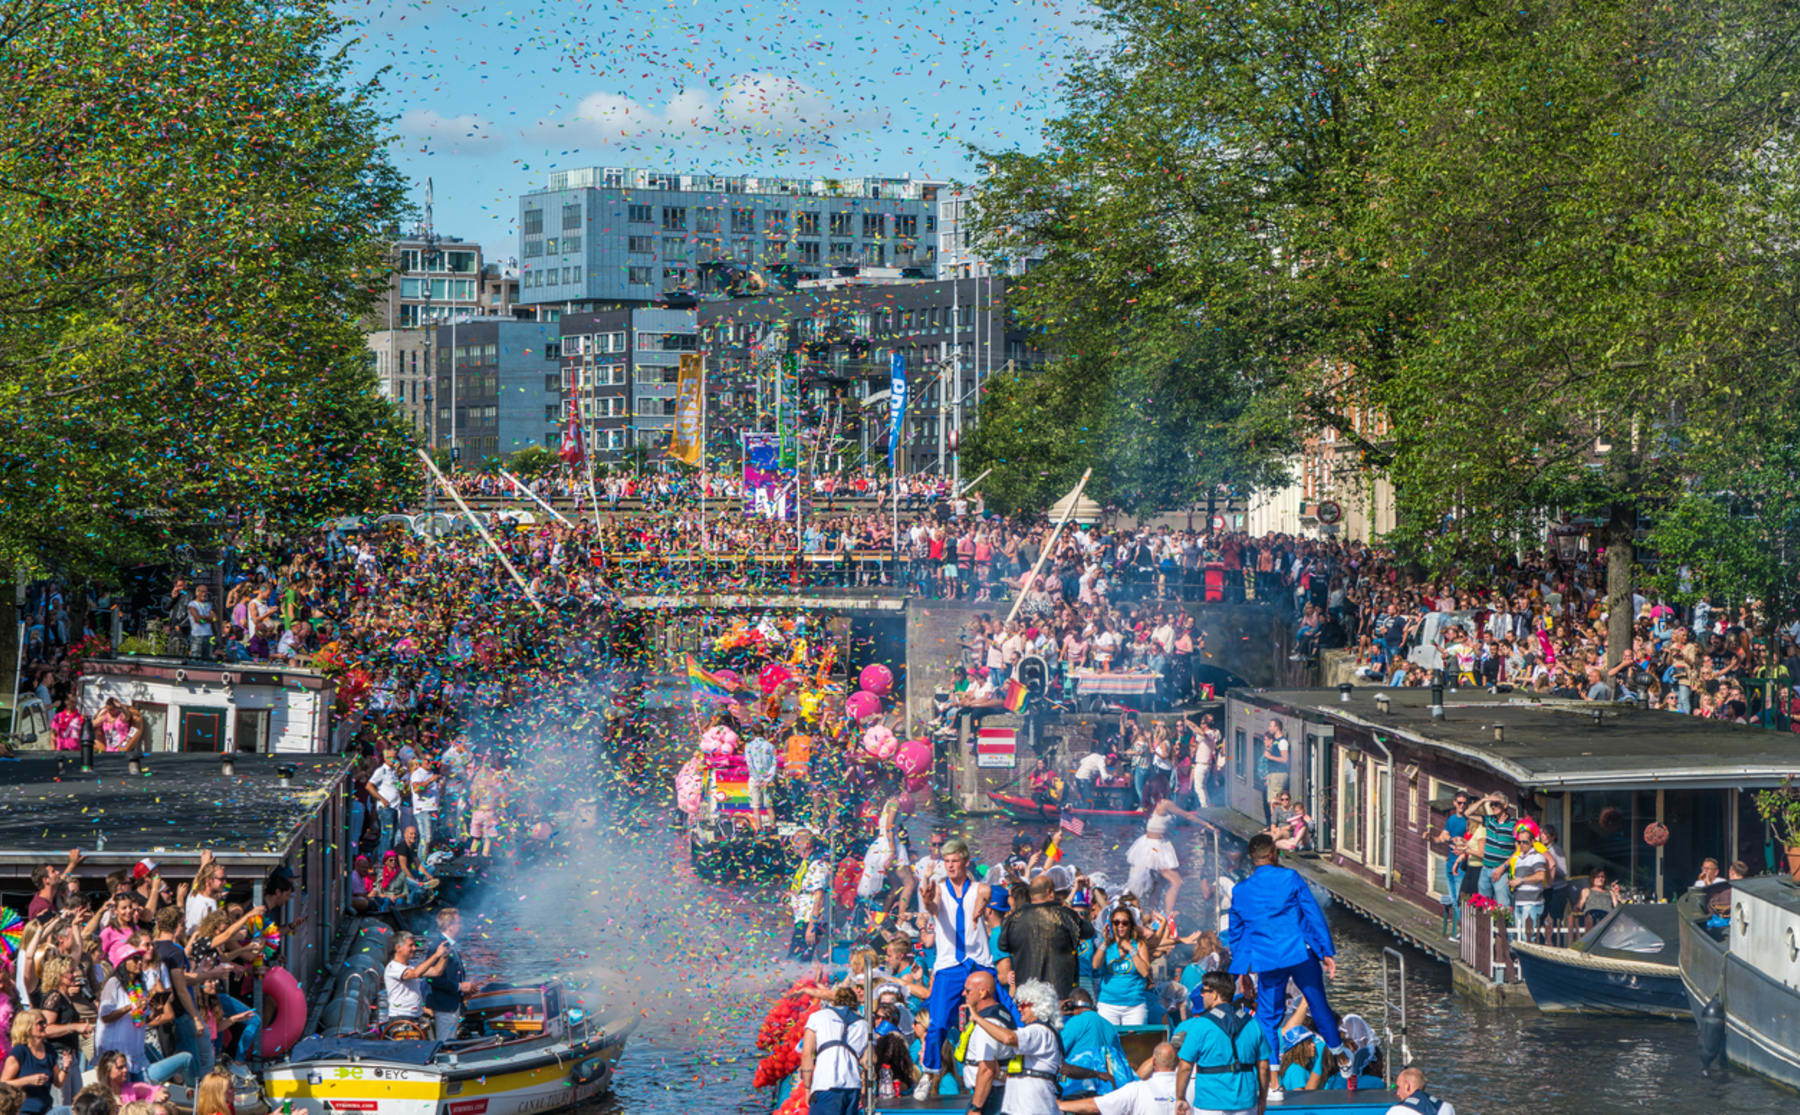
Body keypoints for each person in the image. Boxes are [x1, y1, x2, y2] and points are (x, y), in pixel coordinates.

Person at [1225, 834, 1344, 1102]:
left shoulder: (1240, 891)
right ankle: (1340, 1054)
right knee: (1318, 1004)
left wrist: (1243, 971)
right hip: (1298, 953)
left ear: (1252, 859)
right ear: (1273, 855)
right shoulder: (1290, 878)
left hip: (1267, 959)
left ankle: (1275, 1083)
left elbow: (1236, 933)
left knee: (1267, 1018)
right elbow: (1312, 913)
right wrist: (1326, 951)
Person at [914, 839, 1016, 1100]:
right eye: (947, 861)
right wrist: (927, 902)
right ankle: (929, 1072)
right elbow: (934, 906)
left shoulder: (978, 888)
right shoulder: (939, 890)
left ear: (965, 862)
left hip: (978, 963)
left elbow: (991, 895)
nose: (950, 866)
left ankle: (1024, 1056)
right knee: (937, 1022)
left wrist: (981, 907)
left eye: (955, 861)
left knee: (1007, 1009)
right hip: (949, 964)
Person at [962, 979, 1063, 1115]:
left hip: (1033, 1109)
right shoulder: (1038, 1032)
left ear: (1038, 1005)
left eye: (1023, 1005)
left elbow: (1009, 1038)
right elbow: (1060, 1068)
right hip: (1019, 1108)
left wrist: (979, 1019)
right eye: (1018, 1004)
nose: (1019, 1008)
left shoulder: (1038, 1032)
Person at [1173, 972, 1266, 1115]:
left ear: (1215, 994)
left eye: (1204, 991)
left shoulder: (1200, 1025)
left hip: (1210, 1103)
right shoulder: (1252, 1023)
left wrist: (1180, 1098)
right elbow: (1263, 1066)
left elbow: (1185, 1067)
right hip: (1246, 1103)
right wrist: (1263, 1098)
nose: (1202, 995)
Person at [997, 875, 1096, 1000]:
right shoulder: (1065, 916)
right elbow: (1089, 931)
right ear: (1050, 892)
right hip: (1058, 994)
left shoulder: (1014, 919)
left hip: (1026, 995)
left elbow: (1002, 945)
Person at [798, 985, 870, 1115]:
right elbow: (868, 1061)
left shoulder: (817, 1017)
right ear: (855, 1004)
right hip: (853, 1087)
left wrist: (807, 1088)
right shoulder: (864, 1025)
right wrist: (864, 1090)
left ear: (834, 1001)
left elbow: (807, 1054)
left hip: (826, 1085)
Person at [958, 971, 1014, 1115]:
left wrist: (976, 1108)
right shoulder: (1000, 1014)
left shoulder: (988, 1023)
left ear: (983, 992)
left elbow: (986, 1070)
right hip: (992, 1093)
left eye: (968, 990)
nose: (963, 994)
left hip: (989, 1096)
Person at [424, 908, 476, 1041]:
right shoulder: (438, 946)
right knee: (445, 1041)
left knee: (450, 1039)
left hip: (452, 1003)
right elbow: (433, 980)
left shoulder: (450, 945)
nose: (461, 926)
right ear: (449, 926)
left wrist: (463, 991)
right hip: (444, 1005)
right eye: (459, 923)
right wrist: (459, 987)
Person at [2, 1011, 67, 1115]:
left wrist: (65, 1068)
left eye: (45, 1022)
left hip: (46, 1110)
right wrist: (28, 1080)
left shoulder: (49, 1050)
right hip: (23, 1110)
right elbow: (3, 1084)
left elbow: (58, 1083)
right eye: (40, 1023)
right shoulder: (20, 1052)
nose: (45, 1025)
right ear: (27, 1028)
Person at [382, 933, 447, 1024]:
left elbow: (436, 971)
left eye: (415, 945)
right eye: (410, 945)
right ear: (398, 948)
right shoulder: (393, 967)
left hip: (416, 1016)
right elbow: (415, 974)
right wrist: (436, 955)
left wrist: (445, 955)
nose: (414, 948)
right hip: (401, 1017)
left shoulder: (413, 966)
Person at [788, 830, 831, 963]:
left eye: (796, 842)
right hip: (802, 919)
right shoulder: (806, 863)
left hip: (810, 920)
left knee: (796, 961)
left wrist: (812, 926)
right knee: (796, 959)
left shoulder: (818, 865)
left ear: (807, 844)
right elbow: (806, 887)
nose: (792, 846)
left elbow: (819, 895)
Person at [1385, 1066, 1455, 1115]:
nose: (1397, 1093)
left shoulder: (1398, 1111)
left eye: (1399, 1087)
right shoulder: (1446, 1107)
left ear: (1407, 1086)